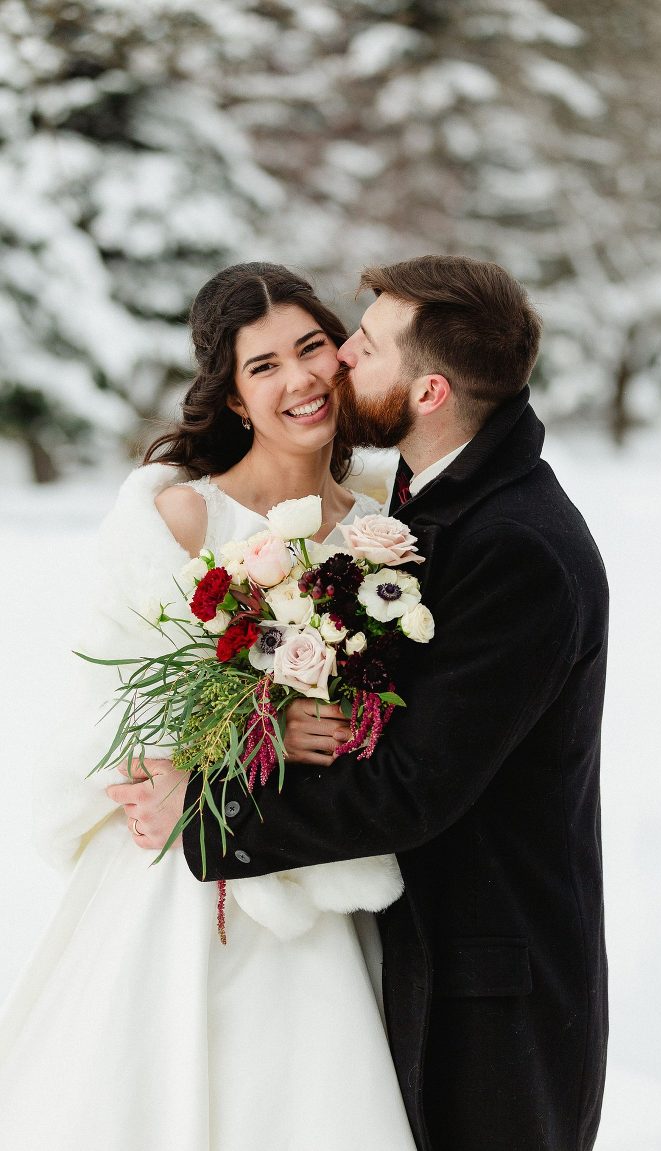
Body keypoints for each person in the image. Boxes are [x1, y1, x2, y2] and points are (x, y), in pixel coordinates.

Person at [126, 254, 610, 1151]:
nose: (340, 359)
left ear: (427, 391)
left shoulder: (515, 547)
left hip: (493, 996)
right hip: (413, 957)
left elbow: (412, 789)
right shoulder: (436, 503)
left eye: (364, 343)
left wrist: (206, 810)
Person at [0, 262, 417, 1151]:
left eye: (312, 349)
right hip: (190, 880)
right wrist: (262, 728)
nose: (299, 380)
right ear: (232, 398)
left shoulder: (385, 530)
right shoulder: (185, 519)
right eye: (263, 366)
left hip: (328, 868)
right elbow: (118, 708)